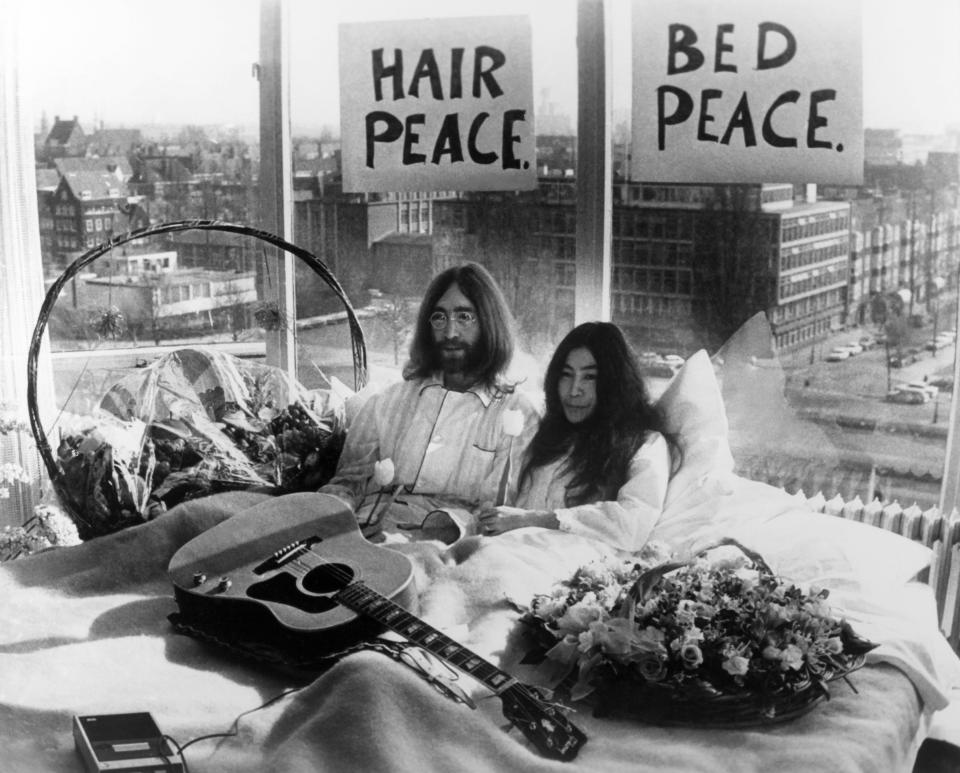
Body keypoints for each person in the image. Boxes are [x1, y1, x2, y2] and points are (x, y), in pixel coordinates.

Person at [321, 263, 539, 542]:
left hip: (448, 550)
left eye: (464, 317)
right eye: (439, 318)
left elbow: (500, 515)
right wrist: (328, 517)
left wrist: (424, 534)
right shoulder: (388, 401)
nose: (450, 333)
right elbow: (348, 482)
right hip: (359, 535)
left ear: (489, 323)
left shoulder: (517, 413)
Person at [476, 322, 675, 552]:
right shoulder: (545, 436)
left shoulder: (644, 444)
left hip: (565, 568)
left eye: (589, 377)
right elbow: (501, 503)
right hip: (507, 553)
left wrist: (531, 519)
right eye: (567, 375)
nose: (573, 390)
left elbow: (632, 525)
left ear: (615, 382)